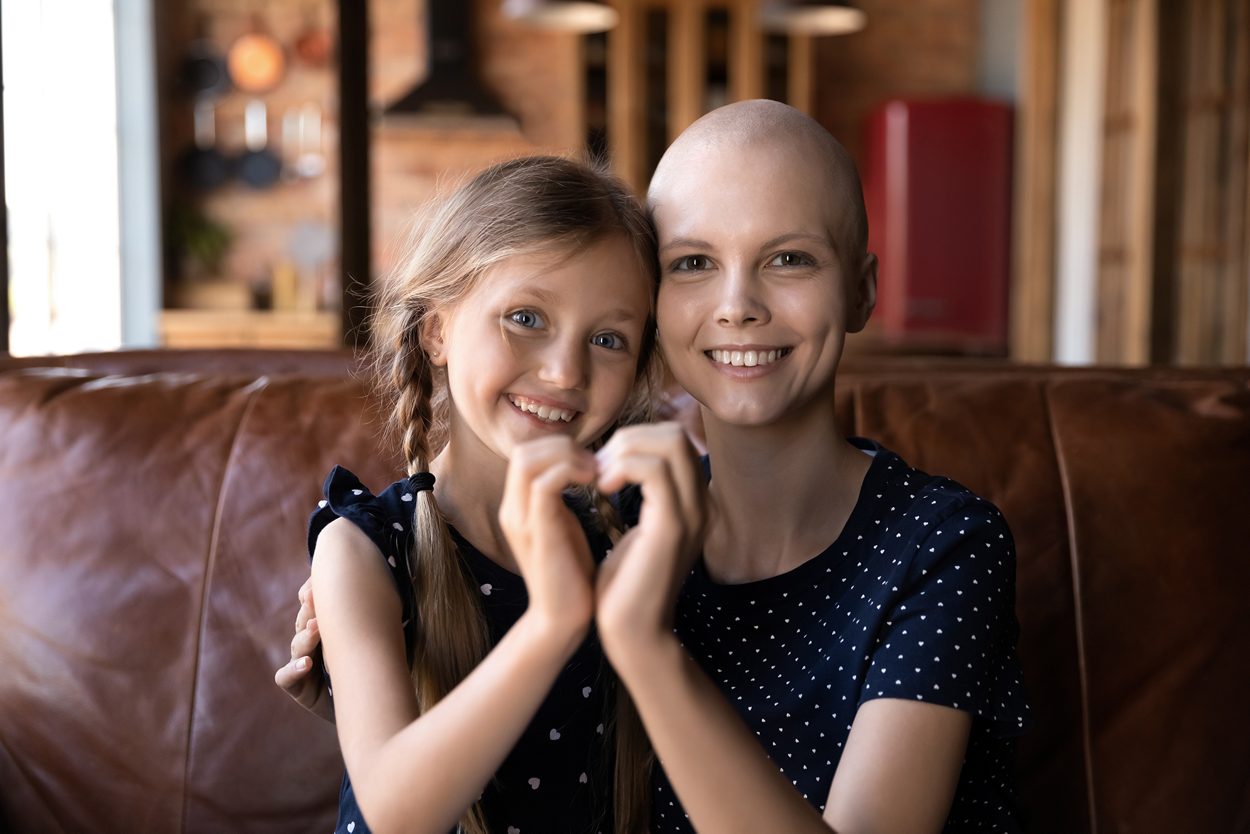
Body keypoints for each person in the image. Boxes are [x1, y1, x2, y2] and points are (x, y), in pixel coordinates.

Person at [281, 101, 1029, 833]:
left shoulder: (940, 544)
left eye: (790, 258)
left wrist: (640, 644)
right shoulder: (622, 528)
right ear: (661, 309)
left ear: (862, 289)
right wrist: (379, 692)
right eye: (695, 263)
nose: (737, 306)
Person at [292, 154, 661, 834]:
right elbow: (396, 814)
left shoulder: (637, 533)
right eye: (526, 317)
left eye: (608, 338)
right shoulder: (365, 548)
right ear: (436, 330)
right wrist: (553, 622)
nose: (564, 369)